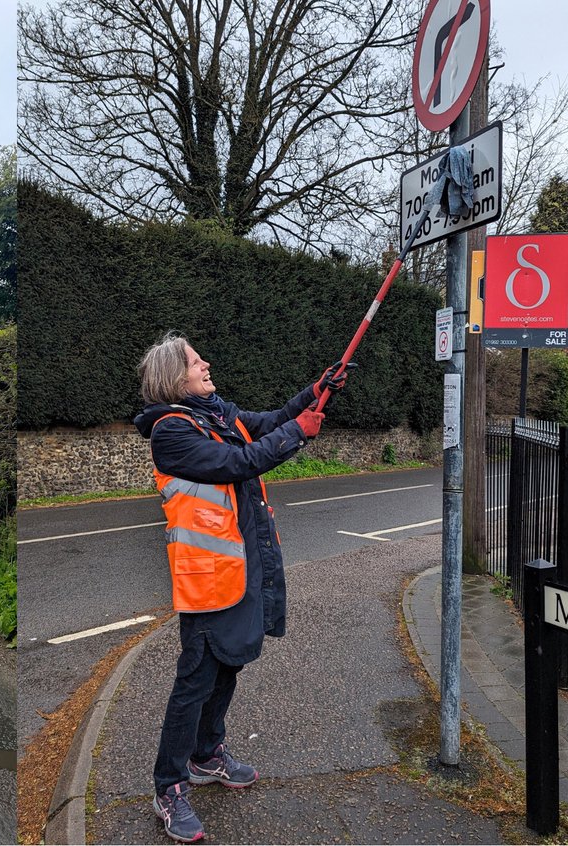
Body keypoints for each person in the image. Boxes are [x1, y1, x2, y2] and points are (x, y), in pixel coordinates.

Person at [132, 332, 351, 843]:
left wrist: (317, 391)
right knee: (194, 681)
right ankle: (168, 786)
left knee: (229, 664)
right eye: (194, 361)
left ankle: (207, 754)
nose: (206, 363)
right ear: (173, 377)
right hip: (207, 581)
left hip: (242, 571)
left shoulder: (217, 415)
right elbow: (240, 463)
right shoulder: (171, 432)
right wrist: (299, 432)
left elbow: (266, 425)